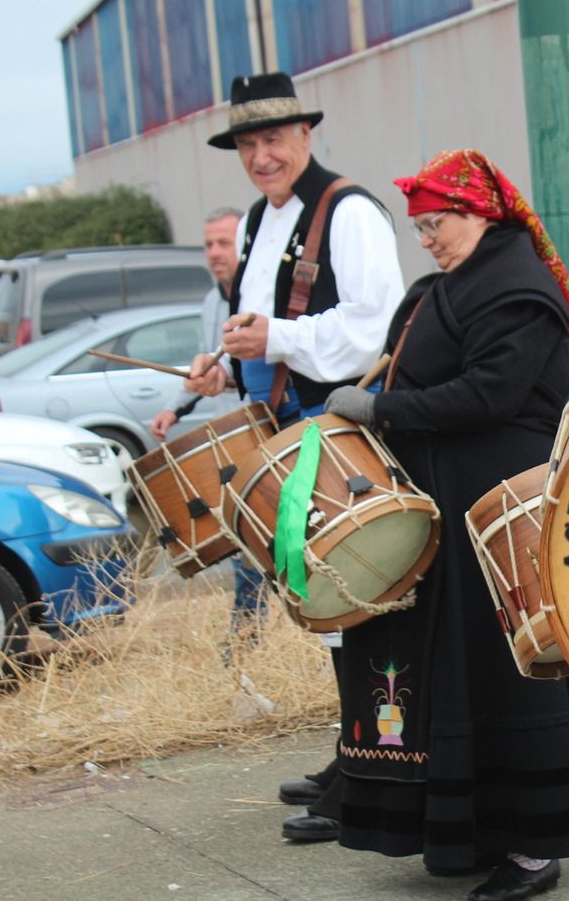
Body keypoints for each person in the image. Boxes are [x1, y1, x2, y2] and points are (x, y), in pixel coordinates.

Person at [321, 149, 569, 901]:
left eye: (437, 224)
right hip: (443, 501)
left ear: (481, 214)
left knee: (504, 673)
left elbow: (492, 395)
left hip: (500, 508)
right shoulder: (441, 289)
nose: (428, 239)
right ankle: (468, 828)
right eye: (421, 228)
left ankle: (536, 847)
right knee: (450, 677)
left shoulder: (520, 290)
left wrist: (383, 410)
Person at [186, 71, 405, 843]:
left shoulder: (348, 211)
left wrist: (274, 340)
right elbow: (259, 323)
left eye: (273, 139)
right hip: (288, 434)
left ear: (306, 135)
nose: (262, 156)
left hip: (339, 438)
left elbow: (373, 330)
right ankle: (352, 758)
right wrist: (224, 361)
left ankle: (373, 773)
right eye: (248, 144)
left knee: (357, 605)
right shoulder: (259, 218)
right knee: (327, 612)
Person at [149, 206, 266, 638]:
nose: (215, 253)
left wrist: (230, 377)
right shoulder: (210, 301)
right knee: (243, 538)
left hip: (268, 431)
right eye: (209, 244)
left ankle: (256, 631)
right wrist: (174, 408)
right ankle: (247, 632)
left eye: (224, 243)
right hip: (230, 435)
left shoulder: (261, 298)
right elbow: (204, 365)